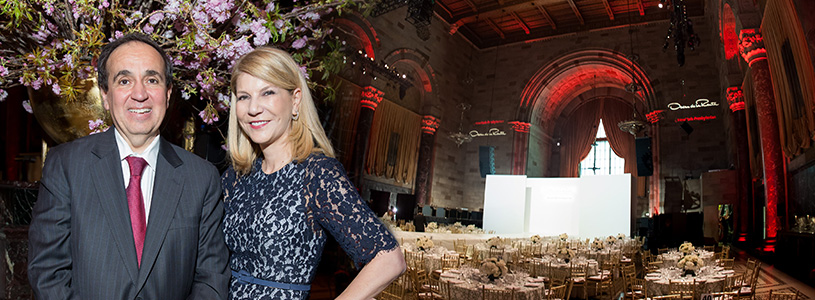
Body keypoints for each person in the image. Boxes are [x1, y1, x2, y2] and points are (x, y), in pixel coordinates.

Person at [27, 33, 230, 299]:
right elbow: (47, 272)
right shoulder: (66, 166)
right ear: (106, 95)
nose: (139, 94)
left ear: (168, 94)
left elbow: (211, 278)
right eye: (124, 81)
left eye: (152, 80)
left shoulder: (201, 177)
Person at [221, 47, 405, 299]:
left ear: (295, 100)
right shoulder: (236, 176)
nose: (253, 108)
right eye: (243, 97)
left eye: (268, 93)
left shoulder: (316, 173)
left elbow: (389, 259)